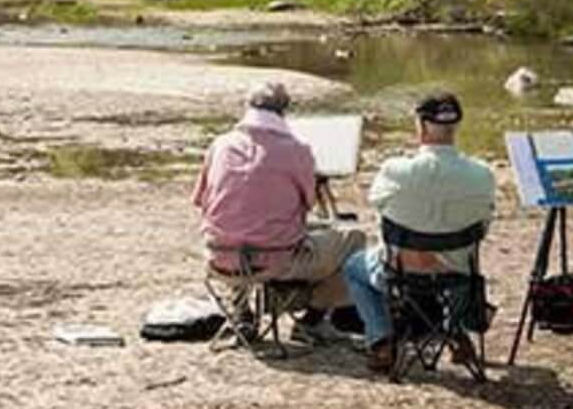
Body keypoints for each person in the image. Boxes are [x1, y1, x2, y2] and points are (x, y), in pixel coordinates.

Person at [193, 81, 371, 346]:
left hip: (219, 259)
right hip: (276, 262)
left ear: (247, 107)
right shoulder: (296, 150)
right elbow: (308, 204)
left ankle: (242, 314)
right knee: (354, 240)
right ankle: (311, 319)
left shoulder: (220, 145)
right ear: (284, 112)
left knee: (239, 226)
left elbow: (201, 200)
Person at [344, 92, 496, 373]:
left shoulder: (395, 170)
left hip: (401, 275)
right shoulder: (482, 175)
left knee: (354, 267)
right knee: (456, 259)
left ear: (422, 126)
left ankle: (381, 342)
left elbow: (376, 203)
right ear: (455, 127)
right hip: (457, 277)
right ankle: (454, 332)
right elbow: (484, 225)